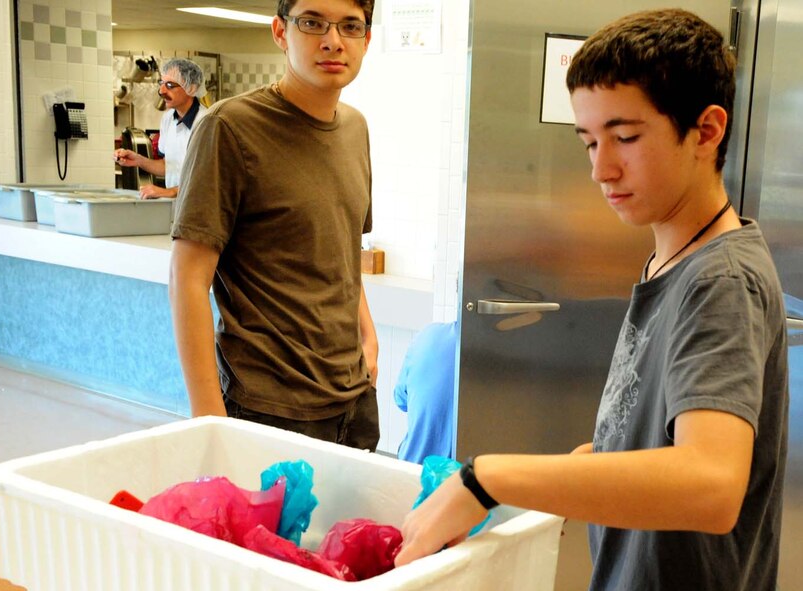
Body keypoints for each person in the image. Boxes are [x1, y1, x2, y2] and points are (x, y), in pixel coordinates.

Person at [395, 9, 789, 591]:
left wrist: (487, 480)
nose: (602, 169)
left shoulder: (721, 280)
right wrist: (574, 476)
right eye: (589, 141)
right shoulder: (672, 262)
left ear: (706, 131)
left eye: (626, 137)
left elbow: (710, 484)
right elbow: (656, 442)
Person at [168, 0, 381, 451]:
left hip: (353, 398)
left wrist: (368, 336)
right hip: (268, 406)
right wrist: (210, 422)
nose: (332, 40)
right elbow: (187, 279)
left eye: (350, 25)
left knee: (351, 524)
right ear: (281, 31)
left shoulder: (356, 129)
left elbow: (342, 250)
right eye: (312, 22)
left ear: (366, 38)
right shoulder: (229, 128)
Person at [113, 58, 208, 199]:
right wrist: (138, 160)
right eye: (161, 83)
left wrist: (171, 192)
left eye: (170, 85)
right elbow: (167, 166)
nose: (161, 91)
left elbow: (210, 176)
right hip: (175, 206)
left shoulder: (206, 122)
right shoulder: (168, 119)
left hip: (200, 206)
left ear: (191, 88)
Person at [394, 321, 458, 463]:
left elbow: (401, 400)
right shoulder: (505, 359)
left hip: (411, 470)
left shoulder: (427, 334)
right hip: (462, 480)